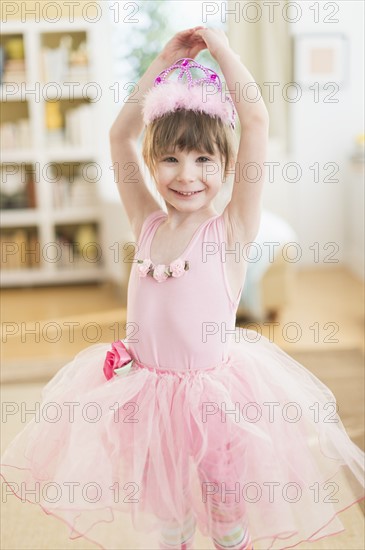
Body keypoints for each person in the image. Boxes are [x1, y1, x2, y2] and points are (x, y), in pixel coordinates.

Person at [1, 27, 364, 550]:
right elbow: (119, 135)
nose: (186, 175)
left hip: (214, 407)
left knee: (225, 516)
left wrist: (225, 53)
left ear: (226, 166)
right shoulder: (146, 223)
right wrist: (162, 62)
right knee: (167, 520)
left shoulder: (231, 232)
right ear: (152, 164)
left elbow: (256, 120)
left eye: (203, 161)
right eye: (170, 158)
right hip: (148, 404)